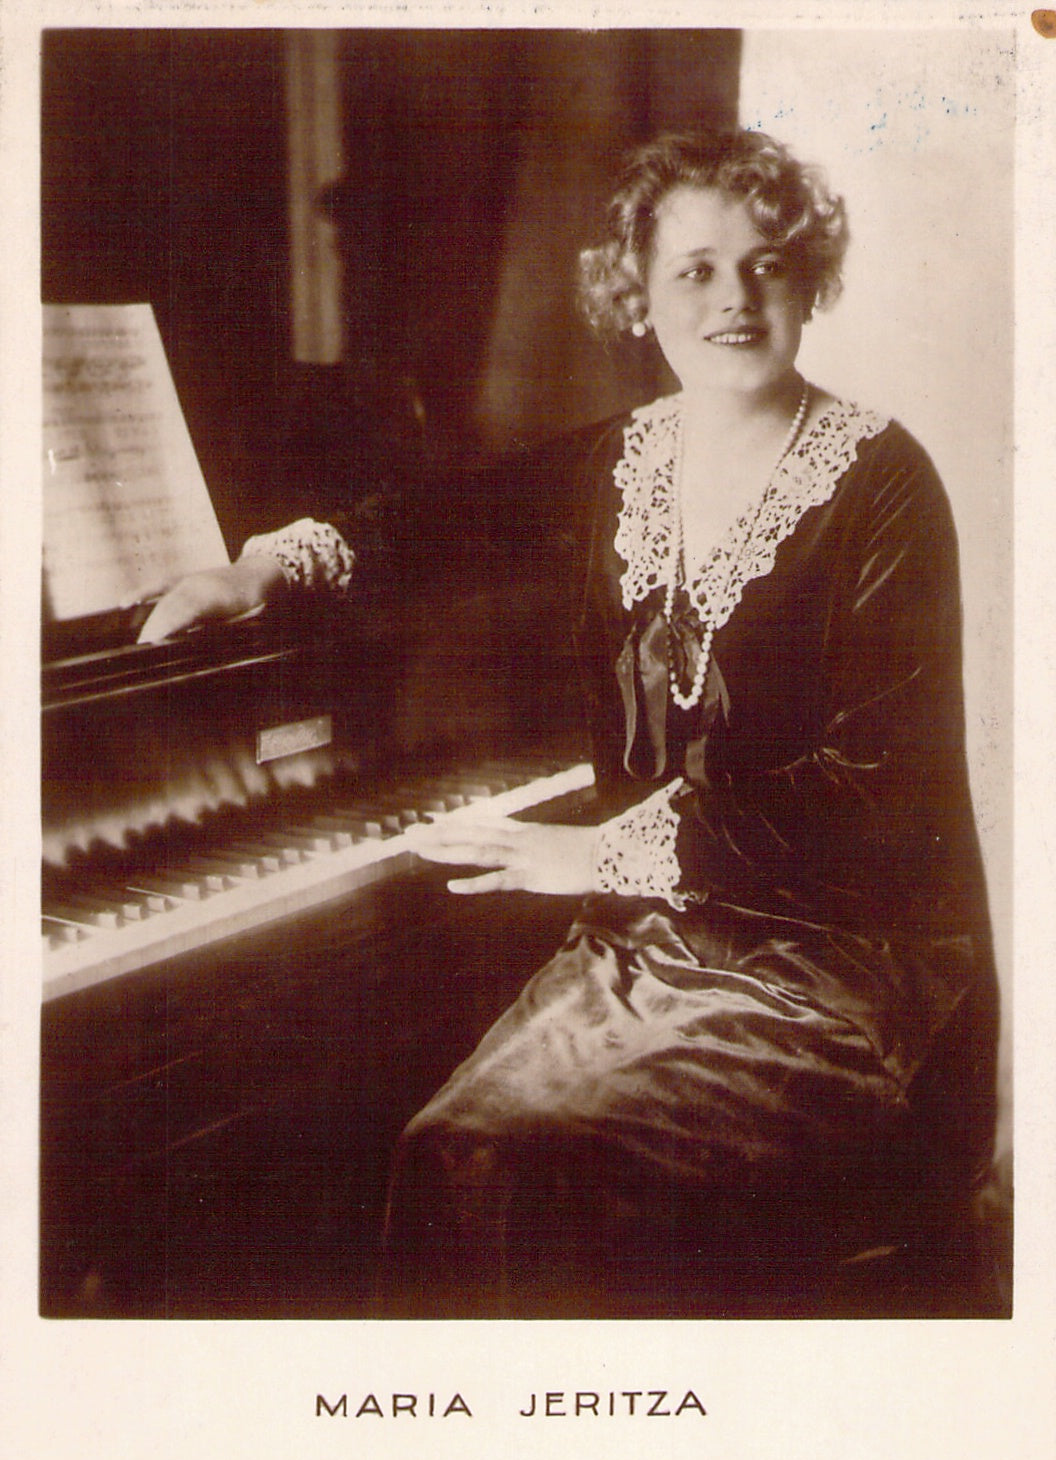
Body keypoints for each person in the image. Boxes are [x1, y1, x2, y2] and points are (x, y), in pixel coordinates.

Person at [140, 129, 997, 1318]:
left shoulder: (885, 482)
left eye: (766, 266)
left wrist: (599, 852)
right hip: (650, 943)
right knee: (452, 1142)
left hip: (850, 971)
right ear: (637, 294)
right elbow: (438, 523)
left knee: (521, 1157)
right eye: (695, 269)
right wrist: (263, 568)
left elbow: (877, 794)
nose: (735, 298)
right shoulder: (623, 459)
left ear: (809, 282)